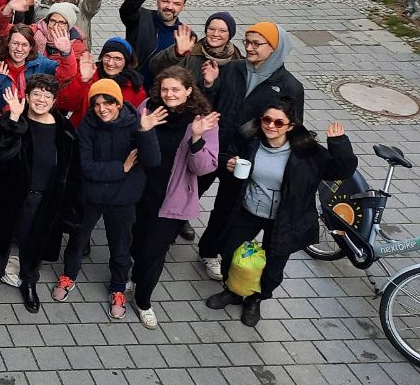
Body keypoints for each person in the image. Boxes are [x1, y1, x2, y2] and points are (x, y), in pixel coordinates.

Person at [205, 102, 356, 326]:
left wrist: (339, 144)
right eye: (267, 120)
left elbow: (341, 171)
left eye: (278, 122)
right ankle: (233, 291)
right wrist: (229, 162)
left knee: (273, 266)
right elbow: (226, 153)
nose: (271, 126)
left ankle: (256, 299)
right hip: (248, 209)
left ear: (290, 126)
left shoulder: (307, 153)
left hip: (284, 218)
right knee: (229, 251)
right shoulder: (251, 141)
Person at [197, 22, 304, 279]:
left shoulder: (289, 86)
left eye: (257, 44)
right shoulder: (233, 68)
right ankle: (169, 231)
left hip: (247, 159)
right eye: (247, 42)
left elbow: (291, 127)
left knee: (227, 208)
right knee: (190, 191)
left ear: (275, 48)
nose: (249, 48)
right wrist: (210, 85)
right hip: (215, 147)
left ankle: (209, 251)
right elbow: (212, 104)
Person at [0, 75, 82, 312]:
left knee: (35, 243)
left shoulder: (64, 129)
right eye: (36, 94)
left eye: (47, 95)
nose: (41, 99)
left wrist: (69, 205)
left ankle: (29, 282)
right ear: (28, 96)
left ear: (53, 100)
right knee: (0, 239)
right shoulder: (14, 119)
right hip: (8, 195)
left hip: (44, 198)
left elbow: (72, 170)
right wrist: (12, 118)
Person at [130, 67, 219, 328]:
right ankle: (133, 274)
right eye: (165, 89)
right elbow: (132, 140)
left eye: (176, 89)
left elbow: (205, 167)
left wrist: (197, 138)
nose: (169, 94)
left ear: (189, 90)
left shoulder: (202, 120)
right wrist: (143, 129)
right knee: (135, 241)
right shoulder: (148, 106)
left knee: (154, 252)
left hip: (172, 197)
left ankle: (143, 299)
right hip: (139, 190)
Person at [72, 79, 164, 318]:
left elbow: (152, 161)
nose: (102, 108)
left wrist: (146, 132)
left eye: (108, 103)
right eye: (97, 104)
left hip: (123, 199)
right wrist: (121, 169)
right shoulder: (88, 125)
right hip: (92, 195)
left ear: (119, 103)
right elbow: (85, 166)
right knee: (78, 239)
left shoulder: (136, 124)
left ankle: (118, 287)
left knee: (121, 247)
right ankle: (68, 275)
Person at [118, 0, 186, 87]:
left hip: (163, 92)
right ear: (157, 2)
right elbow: (126, 11)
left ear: (183, 8)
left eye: (176, 4)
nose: (169, 7)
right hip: (133, 86)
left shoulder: (185, 35)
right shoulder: (142, 17)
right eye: (165, 1)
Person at [149, 12, 242, 87]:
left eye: (222, 31)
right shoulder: (190, 52)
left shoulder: (237, 58)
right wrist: (176, 53)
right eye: (211, 29)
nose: (215, 34)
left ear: (230, 34)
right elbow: (155, 67)